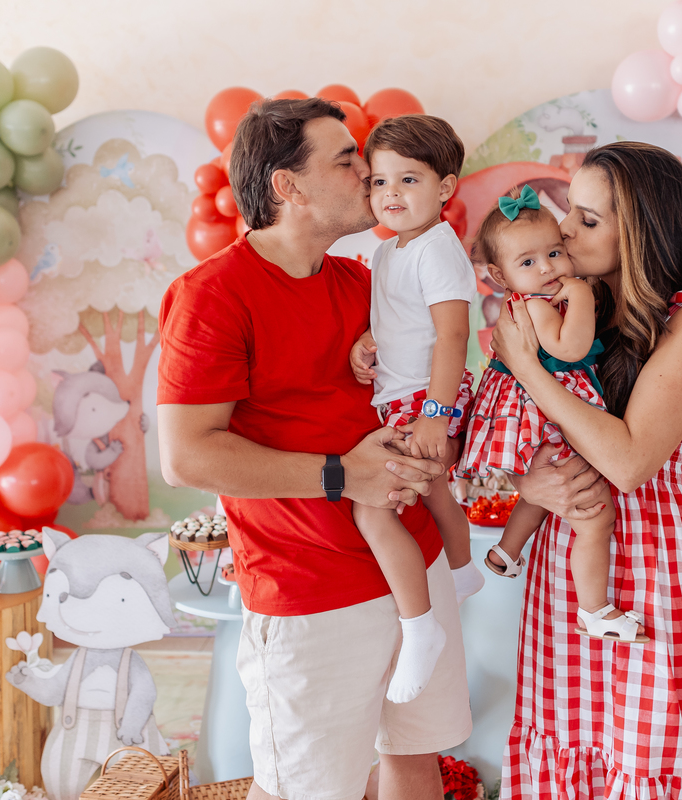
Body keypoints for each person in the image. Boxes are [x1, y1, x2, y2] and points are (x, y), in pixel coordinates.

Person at [157, 97, 470, 800]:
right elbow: (187, 457)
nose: (369, 174)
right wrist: (341, 476)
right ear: (287, 187)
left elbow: (438, 372)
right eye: (347, 159)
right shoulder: (211, 296)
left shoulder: (367, 282)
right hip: (309, 595)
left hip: (413, 570)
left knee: (415, 760)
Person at [489, 141, 682, 797]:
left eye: (589, 220)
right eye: (569, 213)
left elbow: (628, 461)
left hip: (657, 551)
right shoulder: (581, 314)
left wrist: (530, 368)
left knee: (650, 738)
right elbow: (522, 430)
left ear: (643, 232)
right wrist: (529, 483)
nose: (563, 231)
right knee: (574, 729)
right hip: (574, 549)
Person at [457, 184, 641, 644]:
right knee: (594, 519)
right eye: (528, 263)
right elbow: (571, 347)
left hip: (542, 415)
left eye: (555, 252)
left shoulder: (530, 301)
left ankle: (507, 550)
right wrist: (579, 296)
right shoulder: (538, 307)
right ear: (499, 277)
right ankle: (595, 609)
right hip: (547, 415)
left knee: (542, 492)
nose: (548, 269)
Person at [346, 114, 481, 704]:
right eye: (378, 182)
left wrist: (435, 413)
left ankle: (419, 627)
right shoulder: (390, 251)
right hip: (400, 394)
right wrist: (365, 346)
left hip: (423, 399)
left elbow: (453, 337)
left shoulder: (437, 250)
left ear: (446, 187)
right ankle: (461, 572)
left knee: (373, 510)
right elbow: (397, 321)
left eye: (408, 180)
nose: (390, 194)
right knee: (434, 494)